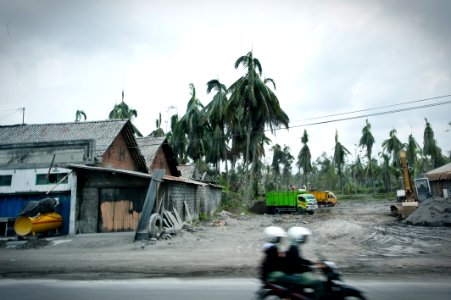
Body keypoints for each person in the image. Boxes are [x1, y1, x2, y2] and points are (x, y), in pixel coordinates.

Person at [284, 226, 324, 299]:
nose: (305, 238)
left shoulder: (294, 247)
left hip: (295, 274)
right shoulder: (294, 249)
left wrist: (311, 263)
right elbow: (297, 265)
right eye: (303, 236)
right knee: (318, 284)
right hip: (295, 275)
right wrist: (309, 267)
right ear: (297, 237)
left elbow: (299, 260)